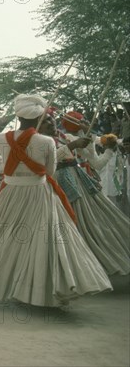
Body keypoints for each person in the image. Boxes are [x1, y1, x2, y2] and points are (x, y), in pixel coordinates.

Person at [0, 95, 112, 307]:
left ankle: (8, 283)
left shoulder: (2, 138)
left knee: (9, 238)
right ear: (40, 117)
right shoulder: (46, 142)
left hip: (10, 194)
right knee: (44, 240)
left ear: (18, 116)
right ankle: (41, 290)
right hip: (38, 192)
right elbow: (50, 172)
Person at [55, 112, 130, 276]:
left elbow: (96, 162)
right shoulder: (45, 140)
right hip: (53, 185)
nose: (88, 123)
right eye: (83, 121)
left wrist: (109, 149)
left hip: (75, 183)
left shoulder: (68, 138)